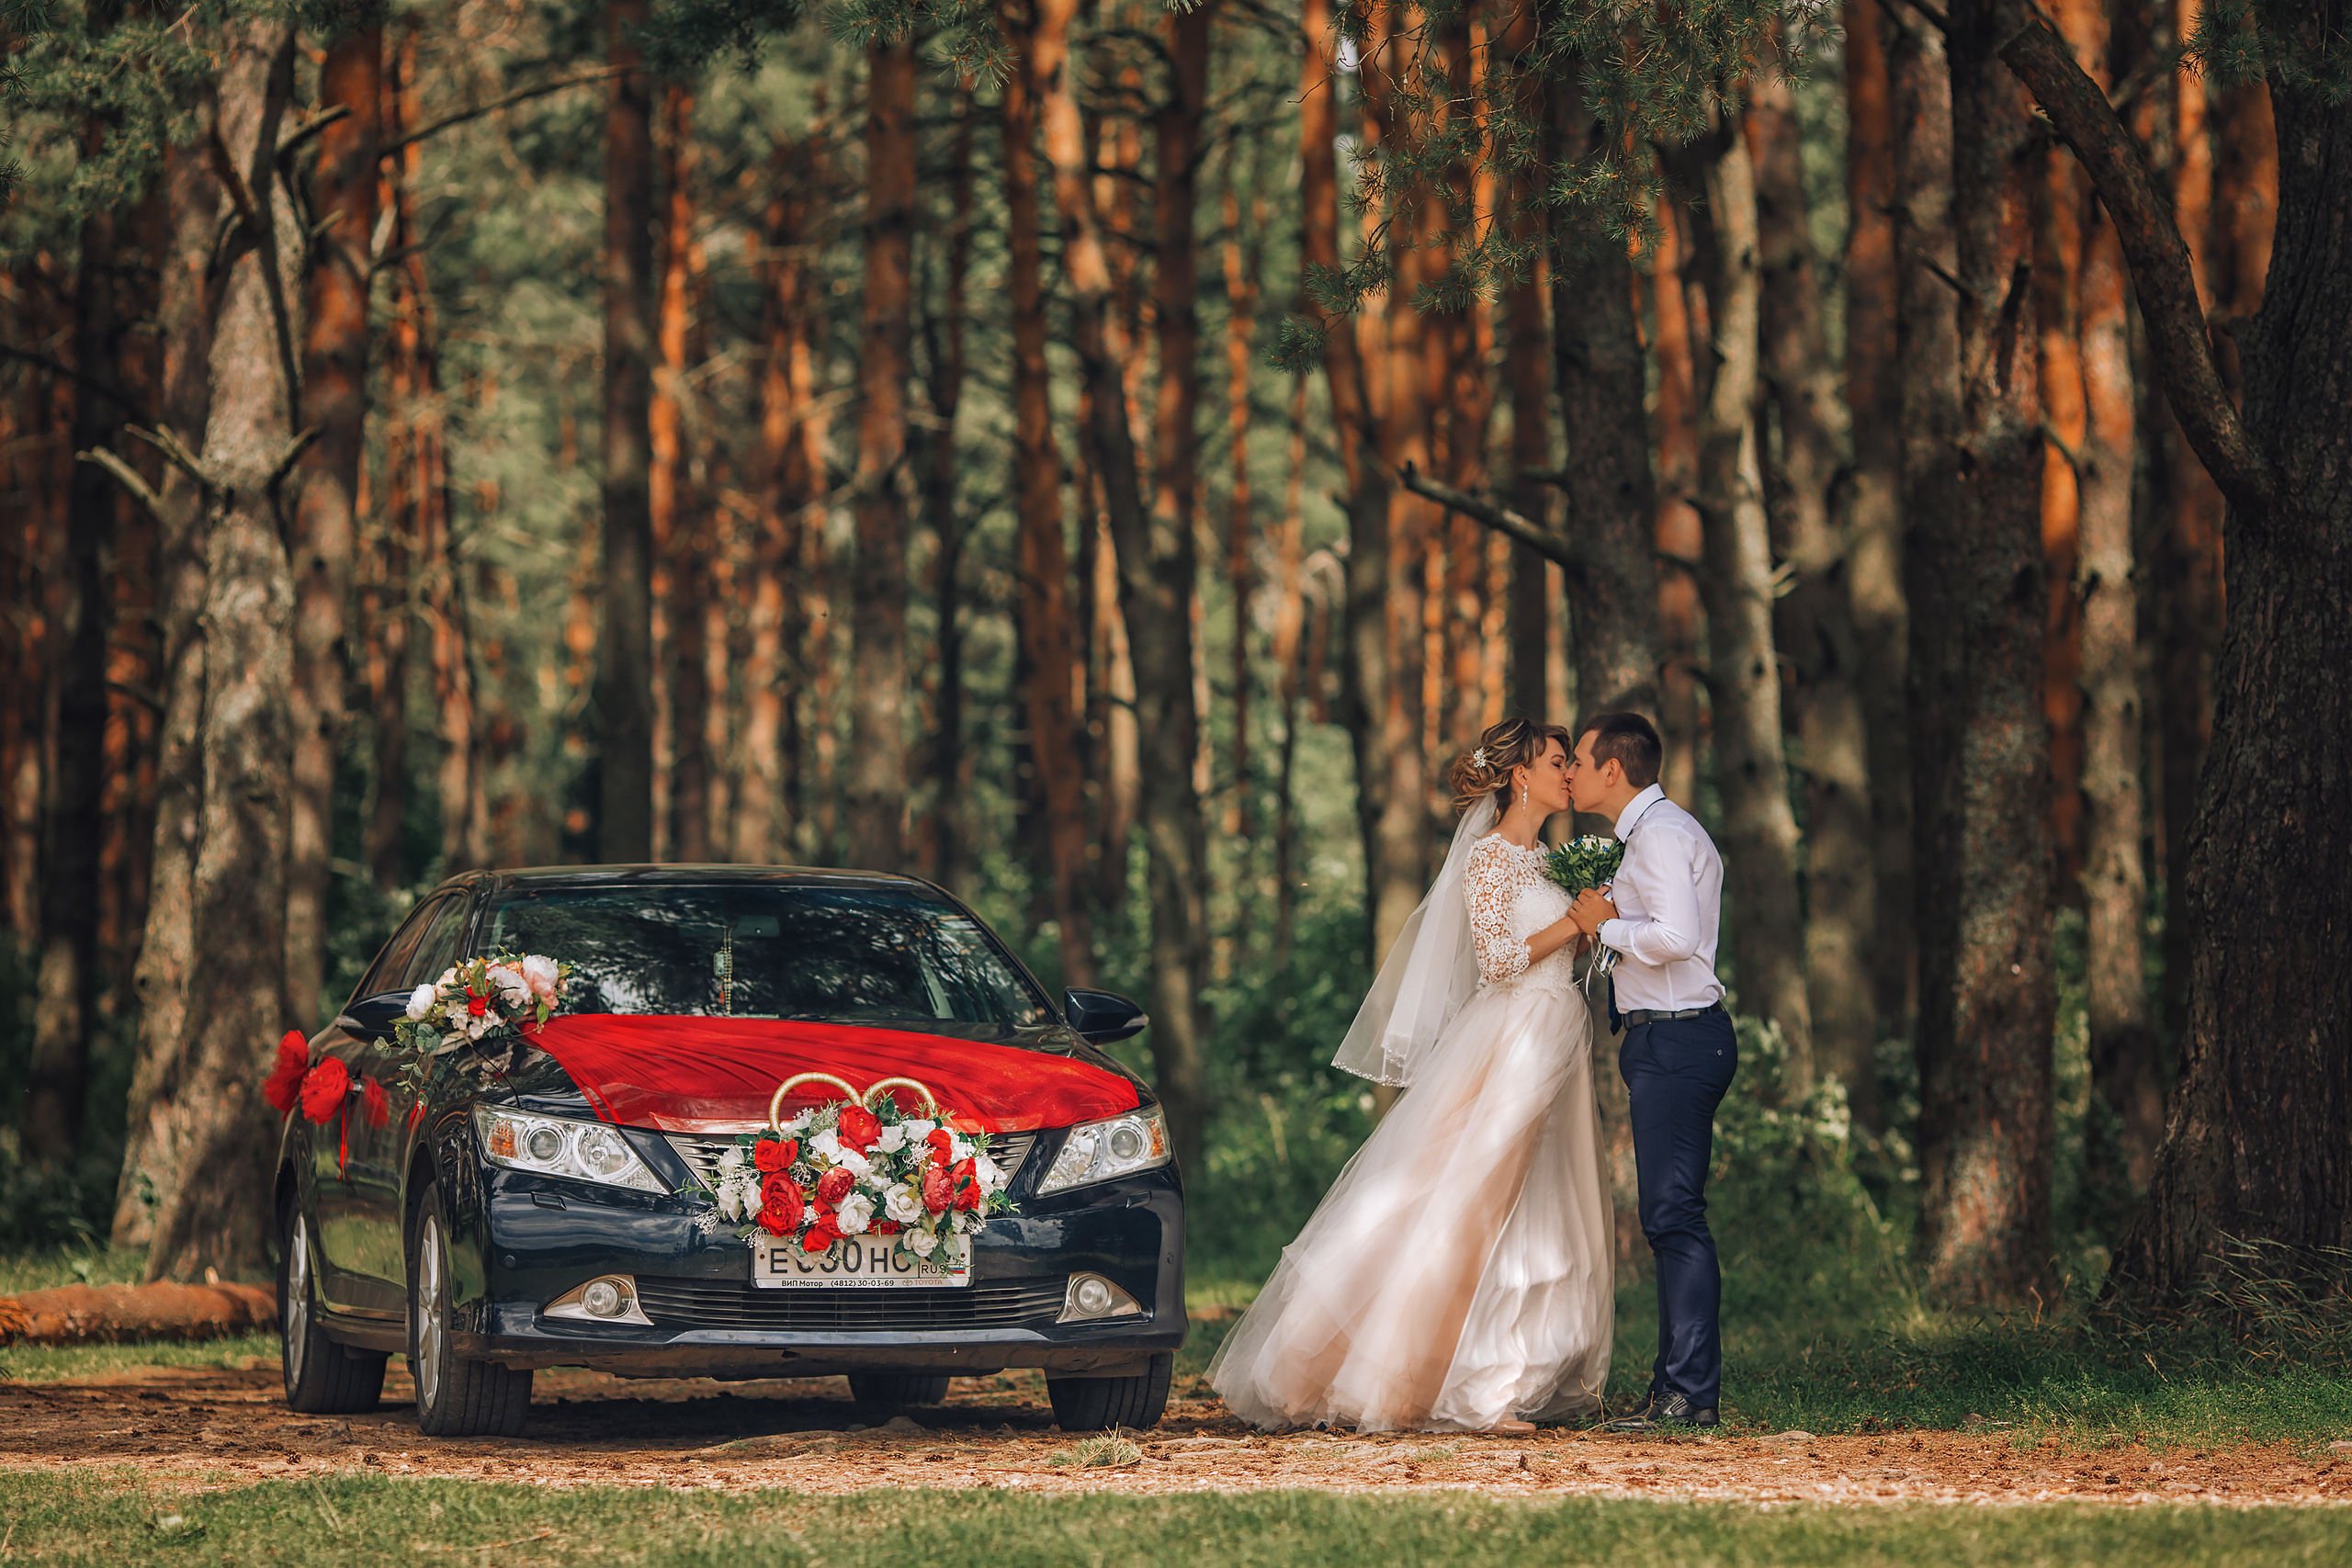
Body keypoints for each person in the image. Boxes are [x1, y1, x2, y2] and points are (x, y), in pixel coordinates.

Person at [1207, 717, 1614, 1433]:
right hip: (1508, 1039)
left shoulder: (1552, 859)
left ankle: (1514, 1367)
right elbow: (1498, 959)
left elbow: (1556, 957)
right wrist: (1579, 922)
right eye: (1557, 761)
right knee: (1473, 1202)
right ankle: (1448, 1380)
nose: (1567, 773)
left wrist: (1583, 926)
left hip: (1555, 1036)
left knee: (1538, 1206)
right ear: (1522, 775)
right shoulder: (1489, 858)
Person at [1562, 710, 1734, 1431]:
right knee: (1669, 1215)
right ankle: (1675, 1386)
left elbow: (1675, 937)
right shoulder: (1652, 833)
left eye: (1577, 758)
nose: (1568, 769)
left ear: (1612, 769)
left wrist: (1603, 924)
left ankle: (1687, 1394)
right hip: (1667, 1041)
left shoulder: (1659, 834)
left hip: (1678, 1042)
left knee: (1673, 1215)